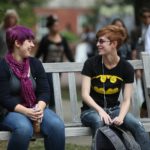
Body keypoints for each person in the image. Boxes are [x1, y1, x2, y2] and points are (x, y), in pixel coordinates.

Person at [80, 25, 150, 150]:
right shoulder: (90, 63)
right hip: (90, 111)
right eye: (97, 41)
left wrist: (121, 117)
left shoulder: (126, 67)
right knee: (99, 122)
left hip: (114, 110)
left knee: (136, 124)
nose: (97, 44)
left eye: (101, 41)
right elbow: (85, 94)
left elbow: (127, 99)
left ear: (113, 44)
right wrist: (100, 110)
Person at [0, 25, 65, 150]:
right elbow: (4, 98)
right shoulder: (2, 66)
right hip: (9, 111)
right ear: (17, 43)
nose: (33, 45)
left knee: (56, 125)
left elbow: (45, 91)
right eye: (29, 41)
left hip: (34, 108)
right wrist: (27, 112)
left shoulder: (35, 64)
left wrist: (38, 109)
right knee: (23, 129)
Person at [35, 14, 74, 107]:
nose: (57, 27)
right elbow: (38, 54)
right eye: (55, 25)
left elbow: (68, 53)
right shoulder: (45, 39)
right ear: (50, 27)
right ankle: (51, 106)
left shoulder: (62, 39)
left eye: (58, 25)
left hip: (58, 69)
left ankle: (52, 106)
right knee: (51, 87)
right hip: (47, 69)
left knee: (55, 88)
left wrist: (74, 63)